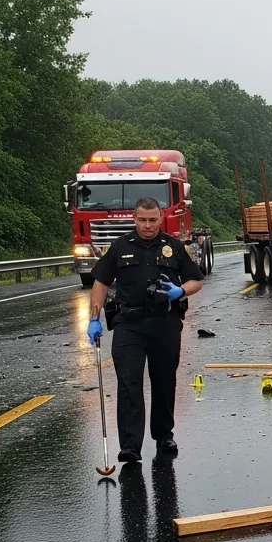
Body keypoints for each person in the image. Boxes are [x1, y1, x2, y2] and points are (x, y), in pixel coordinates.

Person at [87, 198, 203, 462]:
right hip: (129, 325)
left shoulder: (174, 247)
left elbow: (195, 280)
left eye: (152, 220)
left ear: (161, 219)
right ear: (134, 219)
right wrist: (93, 318)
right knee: (129, 383)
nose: (147, 225)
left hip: (165, 323)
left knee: (164, 381)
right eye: (142, 220)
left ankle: (164, 435)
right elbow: (101, 283)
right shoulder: (119, 247)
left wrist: (181, 291)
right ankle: (130, 446)